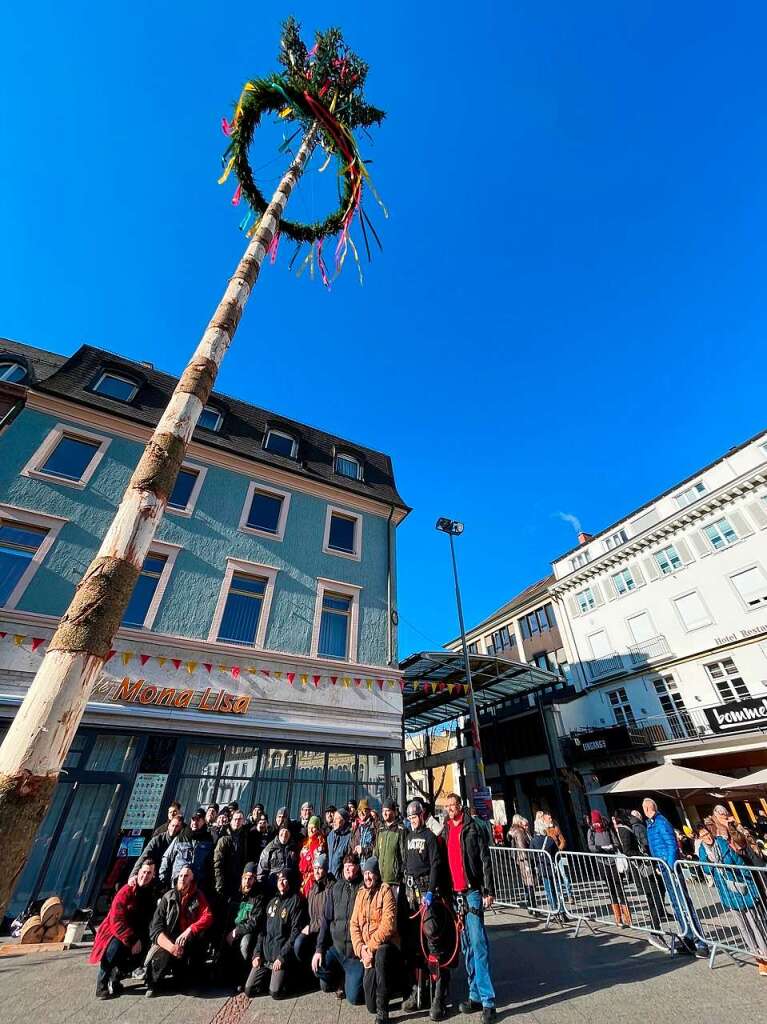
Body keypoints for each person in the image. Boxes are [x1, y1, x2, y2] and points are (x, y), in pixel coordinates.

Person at [442, 793, 496, 1024]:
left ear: (460, 806)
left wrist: (488, 889)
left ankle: (488, 1001)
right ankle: (474, 993)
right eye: (447, 807)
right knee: (466, 946)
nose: (450, 809)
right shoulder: (445, 831)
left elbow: (485, 857)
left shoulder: (473, 827)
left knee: (478, 942)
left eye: (453, 805)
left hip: (472, 891)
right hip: (455, 895)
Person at [401, 798, 452, 1020]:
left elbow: (435, 866)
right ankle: (418, 991)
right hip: (412, 895)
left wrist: (431, 891)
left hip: (427, 895)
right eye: (410, 817)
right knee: (415, 945)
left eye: (415, 816)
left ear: (423, 816)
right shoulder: (409, 836)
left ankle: (439, 996)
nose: (413, 821)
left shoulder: (430, 837)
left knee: (433, 942)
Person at [697, 823, 767, 975]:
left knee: (755, 922)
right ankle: (757, 956)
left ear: (711, 831)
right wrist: (710, 863)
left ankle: (765, 954)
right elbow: (706, 870)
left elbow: (739, 862)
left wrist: (740, 875)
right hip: (727, 891)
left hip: (741, 887)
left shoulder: (722, 843)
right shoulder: (702, 851)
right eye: (703, 835)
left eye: (708, 833)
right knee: (742, 926)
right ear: (699, 838)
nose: (707, 837)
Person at [643, 797, 707, 957]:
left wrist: (670, 865)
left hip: (670, 868)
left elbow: (671, 844)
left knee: (685, 904)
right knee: (677, 906)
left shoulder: (661, 822)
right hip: (663, 867)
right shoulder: (651, 825)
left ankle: (701, 943)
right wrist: (659, 865)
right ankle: (688, 940)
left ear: (647, 808)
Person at [90, 861, 157, 999]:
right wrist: (132, 940)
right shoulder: (126, 891)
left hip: (138, 933)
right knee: (113, 950)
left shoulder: (151, 893)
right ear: (138, 873)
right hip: (115, 932)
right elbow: (116, 920)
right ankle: (101, 984)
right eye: (143, 872)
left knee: (142, 953)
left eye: (149, 873)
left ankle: (116, 977)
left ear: (153, 875)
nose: (145, 876)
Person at [145, 865, 214, 997]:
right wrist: (171, 948)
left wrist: (190, 930)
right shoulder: (168, 897)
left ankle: (188, 980)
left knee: (199, 944)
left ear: (192, 879)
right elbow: (155, 928)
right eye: (181, 875)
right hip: (168, 940)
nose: (182, 878)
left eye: (186, 876)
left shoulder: (198, 895)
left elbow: (208, 916)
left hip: (186, 940)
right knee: (160, 957)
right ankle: (153, 984)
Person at [350, 856, 400, 1024]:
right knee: (369, 1005)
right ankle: (384, 995)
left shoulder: (385, 891)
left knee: (381, 955)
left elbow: (388, 925)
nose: (367, 877)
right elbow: (354, 924)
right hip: (367, 951)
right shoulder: (361, 894)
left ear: (377, 875)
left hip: (386, 945)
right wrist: (361, 950)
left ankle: (383, 1011)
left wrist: (370, 948)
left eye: (370, 873)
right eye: (365, 873)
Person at [244, 867, 307, 998]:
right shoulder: (272, 902)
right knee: (249, 990)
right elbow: (262, 931)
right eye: (279, 880)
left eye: (284, 880)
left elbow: (294, 933)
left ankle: (286, 978)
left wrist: (282, 957)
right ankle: (268, 976)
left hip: (280, 956)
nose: (281, 883)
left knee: (275, 993)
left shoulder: (295, 901)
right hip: (265, 956)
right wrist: (257, 953)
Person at [314, 852, 365, 1003]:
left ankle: (349, 978)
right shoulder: (335, 888)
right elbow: (326, 919)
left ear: (357, 868)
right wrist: (319, 949)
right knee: (318, 969)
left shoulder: (363, 888)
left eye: (352, 868)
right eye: (346, 868)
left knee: (354, 998)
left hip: (355, 954)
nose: (349, 872)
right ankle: (339, 977)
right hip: (337, 949)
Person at [614, 809, 666, 951]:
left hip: (643, 868)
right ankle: (655, 931)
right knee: (654, 896)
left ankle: (655, 927)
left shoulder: (628, 828)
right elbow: (627, 850)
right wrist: (643, 854)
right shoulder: (625, 830)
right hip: (643, 869)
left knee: (653, 897)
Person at [220, 862, 264, 988]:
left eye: (250, 878)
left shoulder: (258, 897)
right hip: (232, 929)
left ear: (255, 879)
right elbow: (229, 917)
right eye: (245, 878)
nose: (247, 881)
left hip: (247, 931)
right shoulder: (235, 894)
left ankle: (243, 978)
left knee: (245, 944)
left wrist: (236, 932)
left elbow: (254, 922)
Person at [587, 810, 630, 927]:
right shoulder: (591, 831)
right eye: (594, 822)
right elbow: (590, 846)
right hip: (602, 862)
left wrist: (612, 846)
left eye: (597, 821)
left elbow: (616, 842)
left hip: (613, 861)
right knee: (611, 889)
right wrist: (600, 848)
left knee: (619, 887)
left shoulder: (607, 828)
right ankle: (618, 918)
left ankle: (627, 917)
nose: (596, 824)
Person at [295, 852, 335, 970]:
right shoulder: (313, 888)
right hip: (313, 929)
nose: (316, 871)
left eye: (320, 868)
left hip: (326, 932)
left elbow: (327, 917)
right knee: (298, 944)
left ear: (326, 869)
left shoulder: (331, 888)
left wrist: (311, 927)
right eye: (315, 868)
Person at [160, 807, 215, 893]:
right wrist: (163, 880)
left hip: (197, 886)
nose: (194, 822)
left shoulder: (208, 840)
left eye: (198, 820)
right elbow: (167, 858)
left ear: (204, 821)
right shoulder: (181, 837)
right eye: (193, 819)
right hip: (176, 884)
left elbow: (211, 865)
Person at [130, 813, 183, 881]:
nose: (174, 828)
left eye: (177, 826)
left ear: (181, 828)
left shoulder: (181, 842)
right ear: (168, 826)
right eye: (172, 825)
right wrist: (133, 875)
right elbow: (143, 856)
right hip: (153, 876)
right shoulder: (157, 840)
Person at [215, 809, 249, 902]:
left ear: (243, 821)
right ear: (231, 820)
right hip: (224, 879)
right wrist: (219, 883)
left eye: (240, 819)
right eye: (235, 819)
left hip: (237, 880)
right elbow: (217, 863)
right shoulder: (224, 836)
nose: (237, 821)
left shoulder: (245, 836)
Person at [531, 813, 562, 916]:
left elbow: (532, 855)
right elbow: (556, 853)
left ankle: (554, 910)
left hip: (543, 868)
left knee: (549, 891)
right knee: (557, 889)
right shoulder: (550, 839)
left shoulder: (534, 840)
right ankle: (561, 910)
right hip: (552, 866)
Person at [374, 798, 406, 889]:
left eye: (387, 810)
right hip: (380, 879)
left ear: (394, 812)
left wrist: (400, 873)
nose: (384, 813)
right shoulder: (380, 830)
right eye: (383, 811)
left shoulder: (401, 830)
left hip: (395, 880)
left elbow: (404, 855)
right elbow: (376, 853)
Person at [258, 824, 297, 891]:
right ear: (278, 833)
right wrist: (262, 888)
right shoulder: (269, 849)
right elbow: (261, 871)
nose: (284, 835)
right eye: (282, 832)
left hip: (289, 887)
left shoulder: (295, 848)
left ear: (290, 835)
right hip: (272, 888)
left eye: (287, 833)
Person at [507, 815, 535, 909]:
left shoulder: (515, 831)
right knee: (529, 880)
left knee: (527, 881)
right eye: (525, 825)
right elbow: (521, 846)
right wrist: (527, 857)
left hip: (521, 858)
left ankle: (531, 903)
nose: (527, 826)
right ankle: (532, 905)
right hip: (524, 859)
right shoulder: (519, 832)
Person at [299, 816, 328, 895]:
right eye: (309, 828)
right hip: (303, 878)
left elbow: (317, 860)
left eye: (313, 828)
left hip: (312, 878)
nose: (310, 830)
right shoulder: (305, 842)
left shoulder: (320, 841)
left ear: (318, 829)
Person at [328, 808, 353, 879]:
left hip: (341, 879)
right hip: (330, 878)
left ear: (343, 821)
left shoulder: (349, 837)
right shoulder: (331, 835)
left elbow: (349, 859)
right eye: (334, 818)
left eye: (337, 818)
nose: (334, 821)